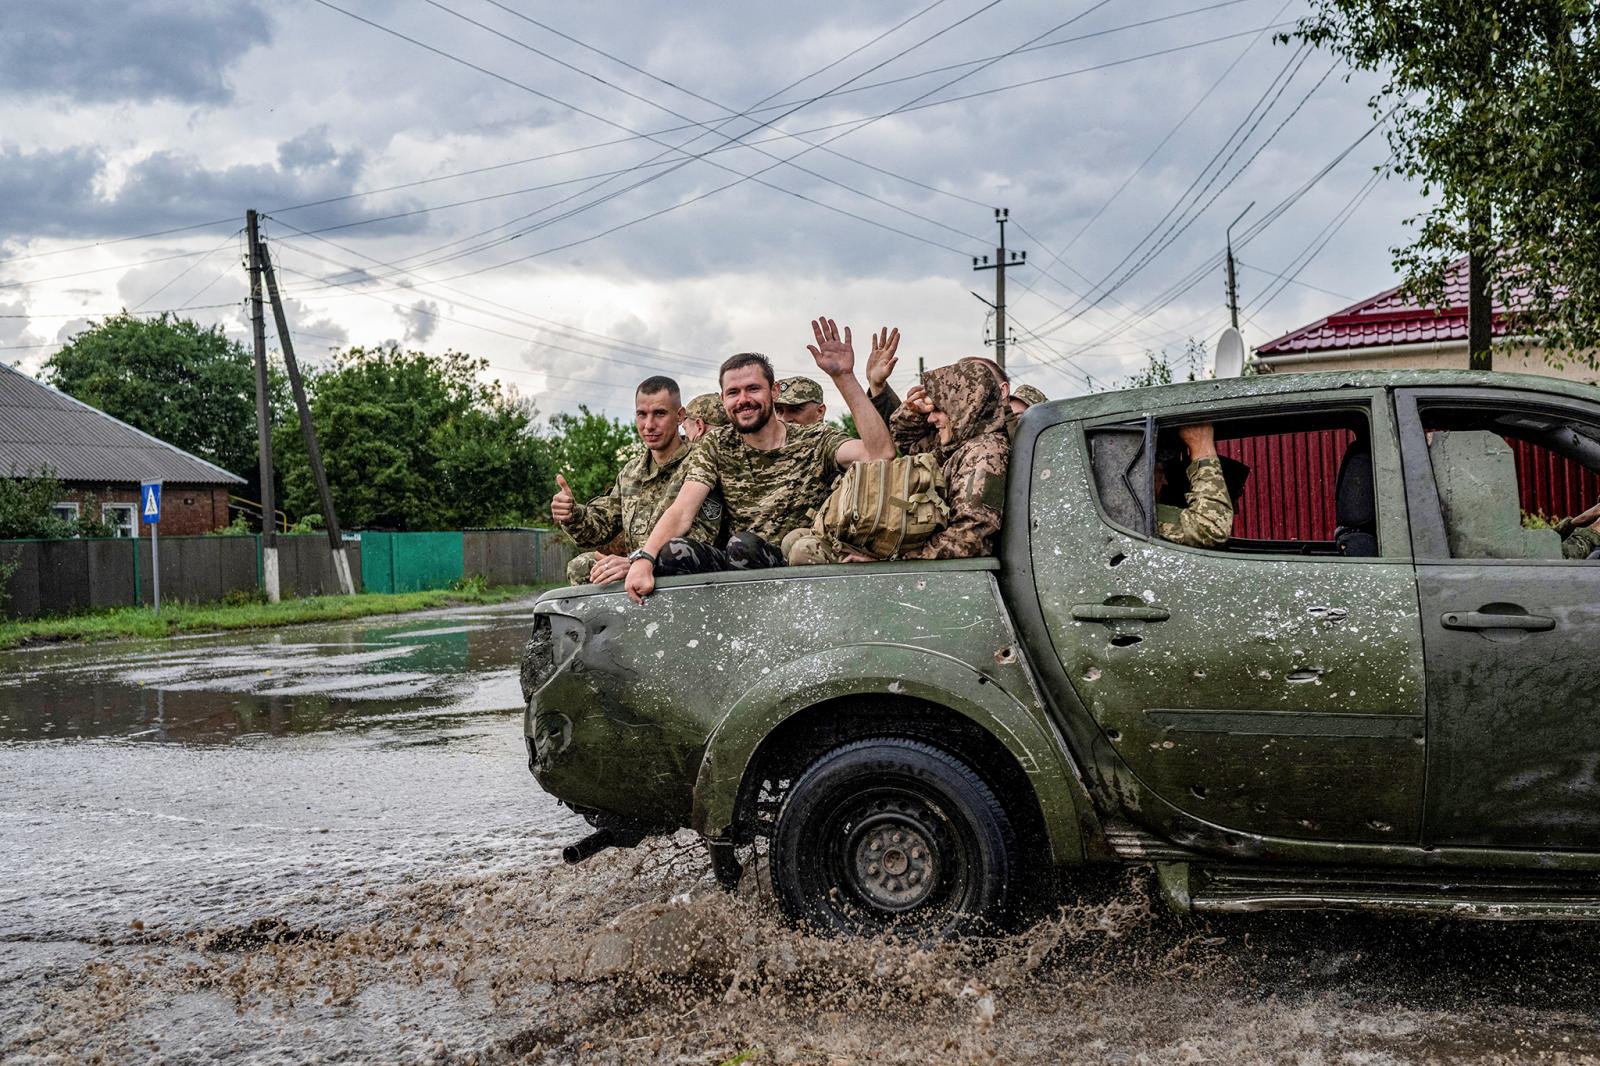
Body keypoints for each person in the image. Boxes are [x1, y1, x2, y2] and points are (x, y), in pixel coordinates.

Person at [623, 318, 896, 603]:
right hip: (736, 573)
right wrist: (645, 558)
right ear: (723, 400)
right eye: (733, 393)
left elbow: (879, 453)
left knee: (743, 545)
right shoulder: (717, 444)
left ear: (773, 392)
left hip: (796, 571)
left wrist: (844, 378)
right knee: (676, 552)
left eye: (753, 389)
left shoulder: (814, 439)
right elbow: (682, 510)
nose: (743, 399)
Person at [790, 359, 1012, 564]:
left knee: (804, 550)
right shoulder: (959, 444)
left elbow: (970, 538)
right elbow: (906, 442)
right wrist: (912, 410)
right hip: (913, 546)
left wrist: (893, 560)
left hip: (926, 565)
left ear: (964, 407)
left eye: (939, 410)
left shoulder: (986, 453)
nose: (932, 419)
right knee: (795, 538)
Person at [553, 376, 723, 585]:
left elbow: (700, 538)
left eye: (659, 414)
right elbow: (600, 527)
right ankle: (611, 618)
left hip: (687, 575)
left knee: (675, 554)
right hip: (638, 568)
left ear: (680, 416)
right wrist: (571, 513)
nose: (649, 425)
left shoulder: (701, 460)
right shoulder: (631, 472)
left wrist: (636, 560)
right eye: (642, 415)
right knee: (583, 566)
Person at [1153, 423, 1234, 548]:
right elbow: (1211, 529)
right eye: (1159, 471)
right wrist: (1202, 447)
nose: (1165, 481)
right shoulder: (1137, 517)